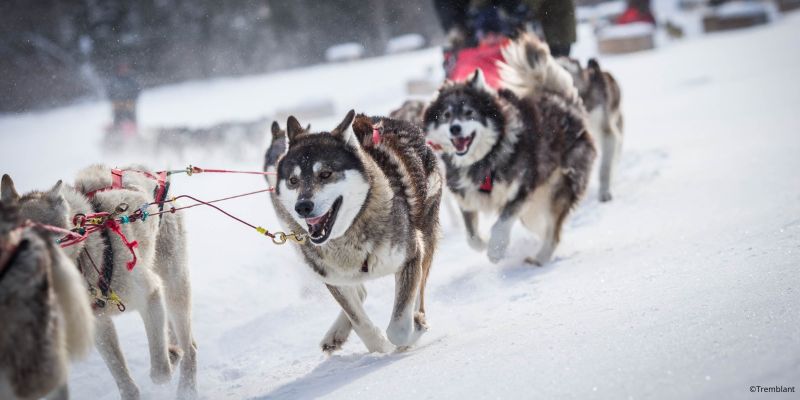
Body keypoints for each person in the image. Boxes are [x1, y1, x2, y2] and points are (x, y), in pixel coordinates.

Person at [433, 0, 576, 58]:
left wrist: (520, 7)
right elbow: (445, 6)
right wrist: (454, 26)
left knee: (556, 63)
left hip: (549, 23)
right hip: (482, 25)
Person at [107, 62, 141, 136]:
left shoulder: (131, 80)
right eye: (122, 68)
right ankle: (117, 136)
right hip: (117, 103)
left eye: (125, 68)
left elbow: (137, 90)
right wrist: (114, 100)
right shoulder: (113, 80)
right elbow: (110, 92)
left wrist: (132, 99)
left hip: (130, 103)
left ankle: (134, 135)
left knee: (132, 120)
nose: (123, 70)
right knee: (118, 120)